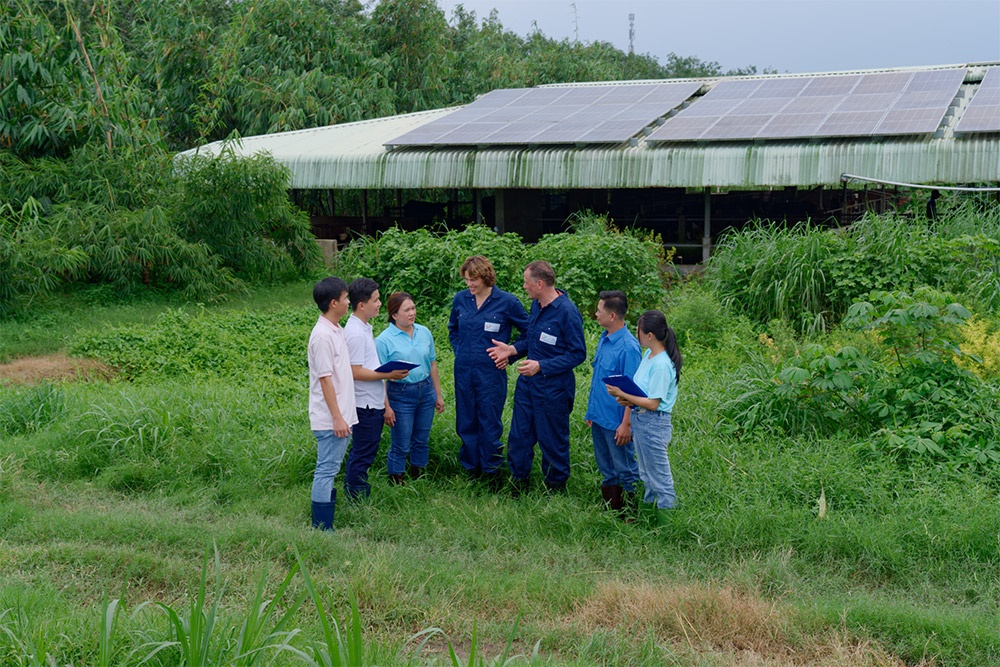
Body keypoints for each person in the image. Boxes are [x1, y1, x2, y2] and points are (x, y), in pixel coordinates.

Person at [487, 260, 586, 493]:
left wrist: (541, 366)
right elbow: (531, 340)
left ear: (540, 284)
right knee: (519, 437)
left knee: (552, 441)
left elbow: (577, 354)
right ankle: (518, 483)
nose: (524, 287)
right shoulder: (536, 306)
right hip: (527, 387)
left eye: (526, 283)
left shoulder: (567, 313)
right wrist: (512, 350)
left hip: (554, 390)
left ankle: (555, 489)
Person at [448, 255, 530, 485]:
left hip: (491, 373)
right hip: (464, 371)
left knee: (489, 421)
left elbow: (529, 332)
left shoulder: (507, 302)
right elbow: (453, 329)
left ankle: (491, 473)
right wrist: (460, 350)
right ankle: (471, 471)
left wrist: (511, 351)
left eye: (473, 280)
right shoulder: (461, 300)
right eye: (466, 280)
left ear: (485, 277)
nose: (469, 285)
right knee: (466, 420)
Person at [606, 310, 682, 525]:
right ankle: (649, 522)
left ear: (649, 335)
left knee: (661, 479)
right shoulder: (648, 357)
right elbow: (642, 394)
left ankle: (667, 528)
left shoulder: (661, 364)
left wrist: (623, 395)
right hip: (642, 420)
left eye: (638, 331)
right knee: (647, 475)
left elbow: (654, 402)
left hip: (654, 422)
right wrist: (627, 399)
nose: (636, 335)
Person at [342, 278, 410, 501]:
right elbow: (355, 371)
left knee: (367, 451)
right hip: (365, 403)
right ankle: (356, 497)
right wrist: (388, 374)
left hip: (374, 400)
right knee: (362, 453)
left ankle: (358, 492)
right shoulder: (353, 332)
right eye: (376, 300)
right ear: (362, 305)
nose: (380, 304)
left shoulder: (364, 327)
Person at [376, 291, 446, 484]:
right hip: (400, 393)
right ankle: (396, 478)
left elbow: (432, 364)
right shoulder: (383, 340)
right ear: (394, 314)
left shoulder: (424, 332)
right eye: (406, 310)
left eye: (413, 308)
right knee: (401, 442)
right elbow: (379, 377)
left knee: (421, 439)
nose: (412, 313)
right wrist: (387, 407)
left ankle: (419, 476)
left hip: (425, 390)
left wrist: (438, 395)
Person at [307, 277, 357, 531]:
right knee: (326, 469)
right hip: (330, 418)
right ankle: (321, 527)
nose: (349, 302)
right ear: (334, 302)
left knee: (331, 467)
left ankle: (326, 520)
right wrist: (337, 417)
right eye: (346, 298)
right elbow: (325, 380)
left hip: (341, 416)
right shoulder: (322, 336)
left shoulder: (335, 329)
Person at [585, 290, 641, 515]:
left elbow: (632, 391)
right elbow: (599, 380)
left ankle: (631, 513)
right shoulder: (605, 338)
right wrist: (591, 412)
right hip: (600, 417)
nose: (596, 314)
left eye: (599, 311)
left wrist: (626, 423)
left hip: (617, 422)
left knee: (625, 468)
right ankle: (613, 510)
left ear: (613, 316)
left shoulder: (628, 347)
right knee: (607, 468)